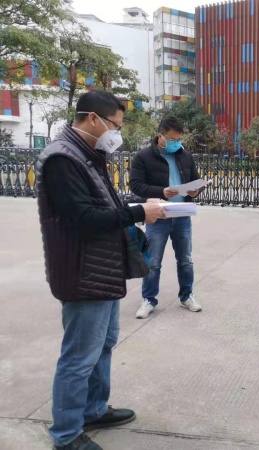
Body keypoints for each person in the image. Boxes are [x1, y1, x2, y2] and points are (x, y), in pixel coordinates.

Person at [36, 90, 166, 450]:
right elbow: (83, 219)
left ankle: (93, 410)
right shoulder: (62, 159)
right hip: (82, 272)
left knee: (103, 344)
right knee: (79, 356)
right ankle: (66, 435)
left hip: (102, 268)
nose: (116, 133)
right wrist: (139, 213)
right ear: (93, 119)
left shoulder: (87, 155)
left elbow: (104, 203)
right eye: (115, 125)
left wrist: (141, 203)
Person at [129, 116, 202, 319]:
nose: (176, 143)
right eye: (171, 139)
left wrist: (195, 190)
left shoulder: (185, 156)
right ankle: (149, 299)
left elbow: (195, 180)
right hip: (157, 215)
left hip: (182, 214)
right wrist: (161, 191)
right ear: (159, 136)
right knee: (153, 261)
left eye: (179, 139)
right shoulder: (143, 157)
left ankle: (187, 296)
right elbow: (136, 185)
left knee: (185, 259)